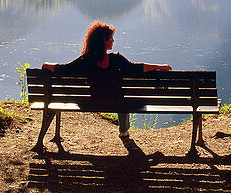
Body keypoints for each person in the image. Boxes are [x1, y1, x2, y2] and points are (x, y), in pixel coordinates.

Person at [34, 20, 171, 152]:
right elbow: (137, 68)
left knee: (120, 99)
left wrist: (47, 65)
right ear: (104, 41)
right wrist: (159, 67)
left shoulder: (86, 59)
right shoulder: (116, 59)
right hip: (117, 103)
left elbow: (65, 69)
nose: (113, 41)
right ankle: (123, 131)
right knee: (123, 99)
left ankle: (40, 141)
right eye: (111, 38)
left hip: (93, 102)